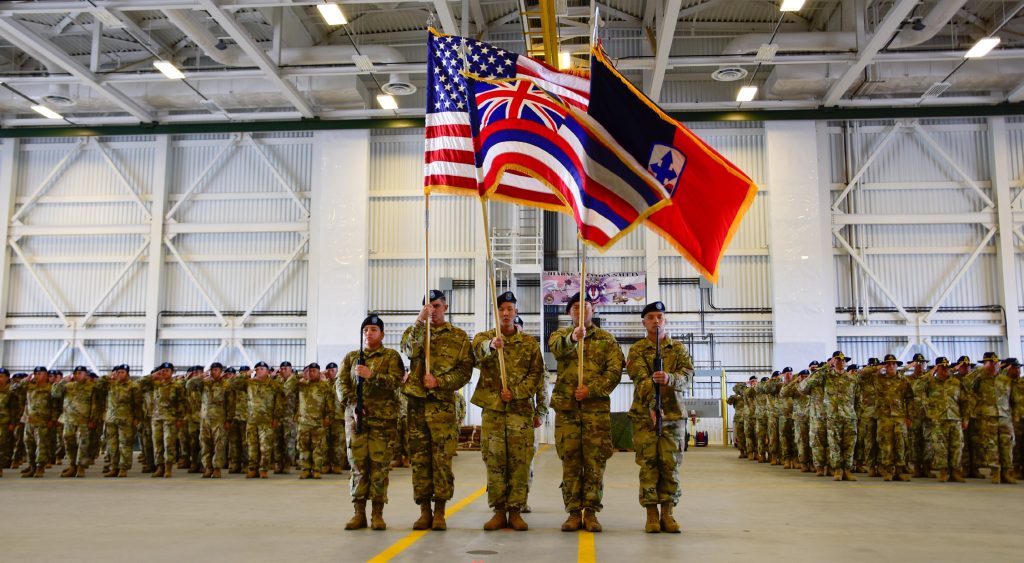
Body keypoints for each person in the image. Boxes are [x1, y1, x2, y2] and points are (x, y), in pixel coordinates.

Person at [548, 292, 623, 533]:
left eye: (586, 306)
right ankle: (572, 512)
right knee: (570, 461)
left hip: (595, 411)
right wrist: (572, 337)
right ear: (569, 313)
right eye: (575, 307)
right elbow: (557, 350)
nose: (580, 310)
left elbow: (614, 372)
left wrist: (591, 390)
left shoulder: (607, 340)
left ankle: (590, 512)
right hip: (567, 411)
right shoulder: (560, 335)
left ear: (594, 310)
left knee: (594, 462)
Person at [471, 291, 545, 532]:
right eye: (501, 308)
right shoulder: (484, 338)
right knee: (494, 461)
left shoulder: (529, 343)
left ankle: (516, 510)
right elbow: (473, 357)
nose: (505, 313)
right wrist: (491, 346)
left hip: (519, 412)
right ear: (496, 312)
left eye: (509, 309)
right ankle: (499, 511)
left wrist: (517, 392)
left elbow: (537, 375)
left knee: (520, 462)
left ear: (516, 312)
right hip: (493, 411)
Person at [401, 289, 473, 531]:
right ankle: (424, 510)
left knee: (441, 460)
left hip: (441, 406)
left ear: (446, 307)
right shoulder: (416, 330)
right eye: (428, 306)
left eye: (436, 306)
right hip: (417, 406)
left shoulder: (460, 337)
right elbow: (409, 350)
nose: (432, 310)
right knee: (420, 460)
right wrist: (419, 322)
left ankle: (440, 511)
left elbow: (465, 372)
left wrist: (440, 382)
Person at [625, 301, 692, 534]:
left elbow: (688, 375)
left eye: (660, 317)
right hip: (646, 416)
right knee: (649, 465)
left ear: (665, 320)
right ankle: (651, 514)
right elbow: (640, 380)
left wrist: (670, 378)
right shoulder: (637, 350)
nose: (656, 321)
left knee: (670, 464)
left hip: (673, 416)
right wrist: (654, 404)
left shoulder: (679, 349)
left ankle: (668, 513)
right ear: (644, 322)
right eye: (651, 317)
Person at [339, 314, 405, 531]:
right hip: (357, 419)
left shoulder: (391, 356)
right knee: (358, 466)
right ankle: (358, 513)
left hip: (382, 422)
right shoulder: (351, 358)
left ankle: (377, 513)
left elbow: (395, 382)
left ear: (382, 334)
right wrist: (352, 404)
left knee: (379, 467)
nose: (368, 333)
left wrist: (372, 374)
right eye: (365, 330)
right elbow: (340, 385)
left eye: (373, 330)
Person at [800, 351, 858, 481]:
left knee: (849, 445)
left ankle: (847, 470)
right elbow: (804, 388)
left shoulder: (851, 378)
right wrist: (826, 366)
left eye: (843, 360)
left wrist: (856, 414)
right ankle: (837, 469)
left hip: (849, 417)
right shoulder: (826, 377)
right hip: (833, 417)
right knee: (834, 445)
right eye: (837, 360)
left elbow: (857, 398)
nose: (841, 362)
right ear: (832, 361)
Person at [231, 361, 285, 479]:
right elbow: (232, 384)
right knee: (252, 446)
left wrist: (276, 417)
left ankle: (263, 469)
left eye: (262, 368)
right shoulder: (249, 383)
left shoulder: (274, 384)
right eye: (257, 369)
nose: (259, 370)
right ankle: (252, 469)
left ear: (267, 371)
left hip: (266, 421)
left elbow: (280, 402)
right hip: (251, 420)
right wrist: (245, 374)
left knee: (265, 447)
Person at [971, 352, 1016, 484]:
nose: (993, 366)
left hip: (1005, 417)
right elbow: (967, 384)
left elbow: (1013, 399)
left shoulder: (1005, 380)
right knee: (991, 446)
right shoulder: (979, 379)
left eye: (995, 363)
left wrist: (1015, 415)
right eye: (990, 363)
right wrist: (981, 369)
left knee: (1007, 445)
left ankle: (1007, 473)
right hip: (988, 418)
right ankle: (996, 472)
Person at [284, 363, 333, 479]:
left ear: (319, 372)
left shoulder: (324, 386)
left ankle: (316, 470)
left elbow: (330, 404)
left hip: (318, 422)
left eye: (314, 371)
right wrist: (300, 374)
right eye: (309, 371)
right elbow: (287, 388)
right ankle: (305, 469)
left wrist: (328, 417)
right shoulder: (301, 385)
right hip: (303, 422)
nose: (311, 373)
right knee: (303, 447)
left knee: (318, 448)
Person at [51, 366, 99, 478]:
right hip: (69, 420)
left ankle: (81, 467)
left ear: (86, 375)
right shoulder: (68, 386)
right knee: (69, 443)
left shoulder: (92, 387)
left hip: (83, 420)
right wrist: (62, 382)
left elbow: (95, 404)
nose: (77, 375)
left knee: (83, 444)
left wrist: (93, 419)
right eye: (76, 373)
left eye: (80, 373)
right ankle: (72, 465)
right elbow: (55, 394)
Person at [926, 357, 967, 482]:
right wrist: (931, 372)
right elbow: (917, 387)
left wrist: (965, 418)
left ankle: (955, 472)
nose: (945, 370)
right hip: (938, 419)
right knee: (940, 448)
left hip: (955, 418)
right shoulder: (930, 383)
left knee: (957, 446)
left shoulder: (956, 383)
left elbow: (964, 401)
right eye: (942, 368)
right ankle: (943, 471)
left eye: (947, 368)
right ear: (937, 368)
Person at [186, 363, 231, 478]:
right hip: (205, 420)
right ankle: (207, 467)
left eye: (216, 370)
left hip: (219, 420)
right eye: (212, 370)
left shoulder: (226, 384)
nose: (213, 372)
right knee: (205, 445)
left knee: (219, 445)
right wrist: (199, 376)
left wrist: (229, 419)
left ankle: (217, 468)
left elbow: (231, 403)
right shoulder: (204, 383)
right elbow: (189, 385)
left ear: (221, 371)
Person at [138, 362, 183, 478]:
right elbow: (139, 384)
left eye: (167, 371)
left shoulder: (177, 386)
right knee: (157, 444)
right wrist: (152, 376)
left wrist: (180, 418)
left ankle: (168, 468)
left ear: (172, 372)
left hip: (170, 418)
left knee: (168, 443)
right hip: (156, 418)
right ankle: (160, 467)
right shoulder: (155, 384)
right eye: (162, 370)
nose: (164, 372)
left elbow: (182, 403)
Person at [95, 364, 141, 478]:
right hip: (111, 419)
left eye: (122, 372)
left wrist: (137, 418)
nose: (119, 374)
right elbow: (98, 386)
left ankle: (123, 468)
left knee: (125, 444)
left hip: (126, 419)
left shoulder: (133, 386)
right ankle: (113, 467)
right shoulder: (111, 385)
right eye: (118, 372)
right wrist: (108, 376)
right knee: (112, 445)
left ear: (127, 374)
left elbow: (138, 404)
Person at [874, 354, 912, 481]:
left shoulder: (903, 381)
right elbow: (864, 374)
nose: (890, 366)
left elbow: (910, 399)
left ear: (897, 366)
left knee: (901, 444)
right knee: (886, 444)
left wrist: (909, 416)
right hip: (884, 417)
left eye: (893, 364)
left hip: (900, 417)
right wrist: (878, 368)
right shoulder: (878, 379)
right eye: (888, 364)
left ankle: (900, 471)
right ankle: (889, 471)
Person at [13, 367, 55, 477]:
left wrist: (53, 419)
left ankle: (40, 467)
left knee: (41, 445)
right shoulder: (29, 386)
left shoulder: (51, 388)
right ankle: (32, 466)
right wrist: (25, 380)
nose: (37, 375)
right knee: (28, 444)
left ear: (46, 375)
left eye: (40, 373)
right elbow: (14, 389)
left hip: (42, 421)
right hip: (29, 420)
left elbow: (56, 406)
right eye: (35, 373)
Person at [0, 369, 14, 477]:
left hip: (4, 422)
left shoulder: (11, 391)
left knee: (1, 446)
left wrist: (12, 422)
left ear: (7, 378)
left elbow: (14, 408)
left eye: (2, 376)